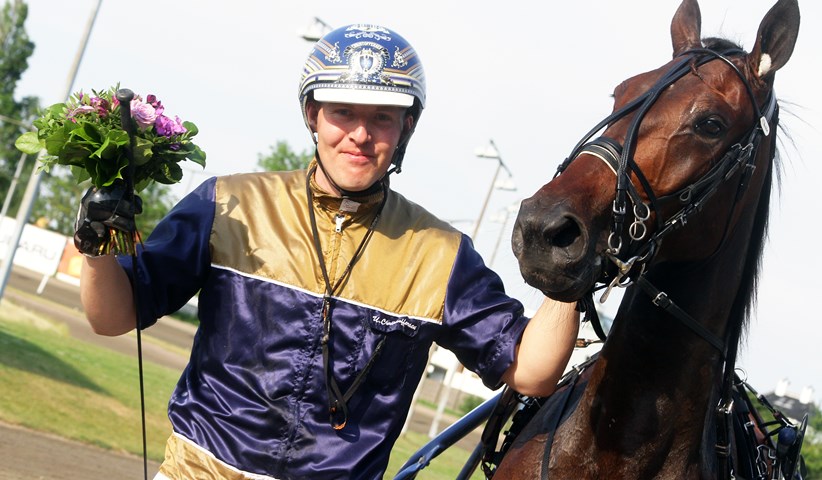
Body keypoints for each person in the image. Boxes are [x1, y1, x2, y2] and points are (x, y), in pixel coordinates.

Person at [79, 23, 579, 480]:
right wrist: (97, 249)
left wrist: (570, 273)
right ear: (313, 115)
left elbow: (531, 373)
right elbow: (112, 316)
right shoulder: (227, 202)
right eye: (344, 112)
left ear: (407, 128)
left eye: (382, 118)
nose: (360, 135)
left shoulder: (442, 253)